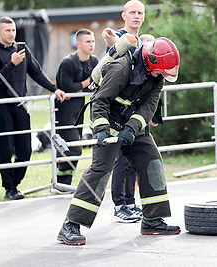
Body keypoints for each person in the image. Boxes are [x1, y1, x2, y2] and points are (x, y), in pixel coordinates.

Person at [57, 37, 181, 245]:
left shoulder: (157, 77)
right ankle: (70, 224)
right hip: (108, 121)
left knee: (151, 161)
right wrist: (102, 130)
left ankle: (152, 219)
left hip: (131, 122)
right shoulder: (121, 68)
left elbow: (148, 107)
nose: (162, 76)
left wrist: (132, 129)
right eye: (161, 71)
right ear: (151, 62)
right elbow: (99, 101)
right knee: (101, 170)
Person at [0, 17, 65, 200]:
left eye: (13, 30)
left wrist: (54, 88)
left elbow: (36, 72)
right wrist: (11, 63)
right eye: (7, 30)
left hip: (21, 105)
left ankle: (15, 183)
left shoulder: (21, 48)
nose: (12, 34)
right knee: (4, 149)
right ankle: (9, 188)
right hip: (1, 106)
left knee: (25, 149)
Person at [101, 0, 145, 223]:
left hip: (135, 109)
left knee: (133, 159)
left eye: (140, 13)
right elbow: (110, 49)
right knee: (121, 158)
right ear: (124, 15)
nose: (136, 16)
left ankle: (130, 202)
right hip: (116, 109)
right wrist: (110, 40)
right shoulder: (120, 37)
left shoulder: (143, 41)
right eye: (132, 12)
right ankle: (120, 205)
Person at [53, 29, 98, 193]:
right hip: (64, 111)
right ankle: (60, 182)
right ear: (78, 44)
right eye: (88, 41)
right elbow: (67, 88)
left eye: (93, 41)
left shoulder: (94, 61)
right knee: (74, 148)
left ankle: (64, 184)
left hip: (79, 110)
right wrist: (86, 83)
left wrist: (80, 88)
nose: (91, 44)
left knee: (71, 147)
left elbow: (97, 83)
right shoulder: (69, 62)